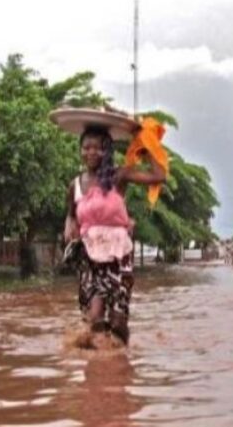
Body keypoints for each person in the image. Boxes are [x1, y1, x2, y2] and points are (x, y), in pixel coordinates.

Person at [64, 125, 165, 346]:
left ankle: (121, 361)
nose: (90, 152)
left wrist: (142, 138)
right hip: (90, 260)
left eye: (97, 148)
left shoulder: (119, 176)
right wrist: (69, 226)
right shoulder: (75, 184)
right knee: (95, 317)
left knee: (118, 323)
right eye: (86, 147)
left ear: (107, 151)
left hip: (118, 260)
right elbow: (71, 214)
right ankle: (97, 371)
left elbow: (159, 175)